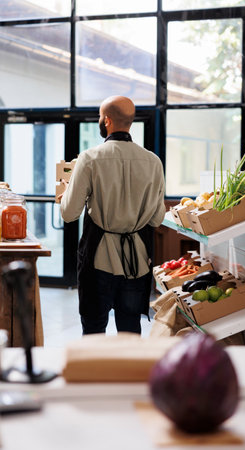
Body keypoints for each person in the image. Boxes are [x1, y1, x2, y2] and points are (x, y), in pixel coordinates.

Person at [59, 95, 166, 335]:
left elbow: (68, 213)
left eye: (100, 116)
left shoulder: (90, 159)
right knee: (130, 332)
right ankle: (127, 373)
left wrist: (66, 189)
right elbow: (157, 219)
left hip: (99, 260)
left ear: (106, 120)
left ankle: (96, 373)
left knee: (94, 331)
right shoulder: (153, 162)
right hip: (136, 262)